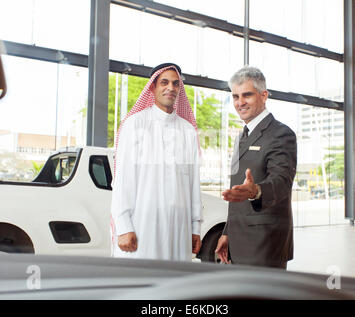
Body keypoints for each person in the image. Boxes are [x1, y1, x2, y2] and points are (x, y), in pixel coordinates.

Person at [110, 63, 202, 261]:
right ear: (152, 87)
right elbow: (123, 179)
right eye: (164, 82)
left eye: (176, 84)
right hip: (143, 225)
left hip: (180, 229)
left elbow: (193, 183)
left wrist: (196, 228)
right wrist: (124, 226)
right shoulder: (135, 123)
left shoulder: (187, 130)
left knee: (176, 284)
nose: (171, 88)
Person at [215, 66, 297, 269]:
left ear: (264, 95)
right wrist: (227, 232)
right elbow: (237, 192)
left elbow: (281, 182)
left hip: (265, 244)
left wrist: (256, 190)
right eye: (235, 96)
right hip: (239, 239)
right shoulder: (241, 137)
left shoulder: (281, 134)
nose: (240, 102)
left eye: (247, 95)